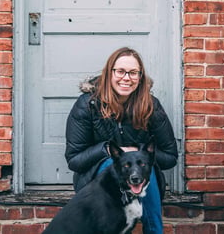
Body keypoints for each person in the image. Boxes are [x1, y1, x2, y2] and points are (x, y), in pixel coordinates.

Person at [64, 47, 178, 234]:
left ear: (140, 77)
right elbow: (74, 160)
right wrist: (107, 149)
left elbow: (170, 157)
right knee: (111, 163)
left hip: (142, 182)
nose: (126, 78)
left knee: (141, 165)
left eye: (133, 73)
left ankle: (154, 231)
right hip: (96, 180)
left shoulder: (151, 106)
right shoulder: (88, 105)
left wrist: (138, 154)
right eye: (120, 71)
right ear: (109, 73)